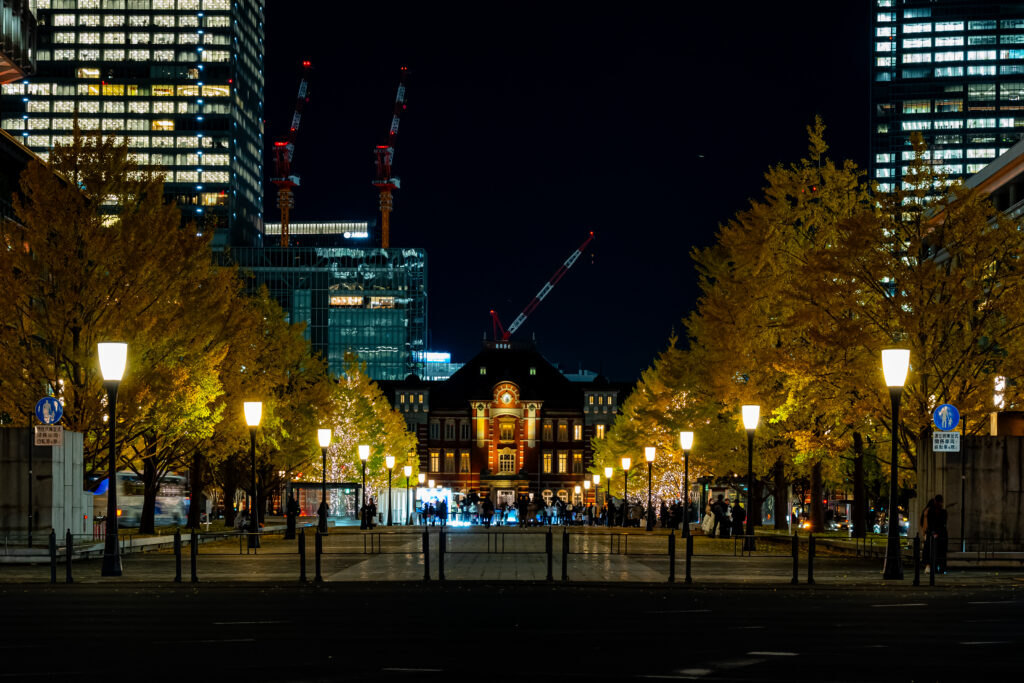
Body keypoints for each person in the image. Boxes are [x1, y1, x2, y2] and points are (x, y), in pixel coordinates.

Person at [926, 495, 948, 574]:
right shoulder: (933, 511)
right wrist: (934, 532)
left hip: (939, 534)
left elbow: (939, 523)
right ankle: (938, 568)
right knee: (937, 553)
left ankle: (939, 568)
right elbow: (931, 524)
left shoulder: (941, 512)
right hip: (937, 534)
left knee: (939, 553)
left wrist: (934, 532)